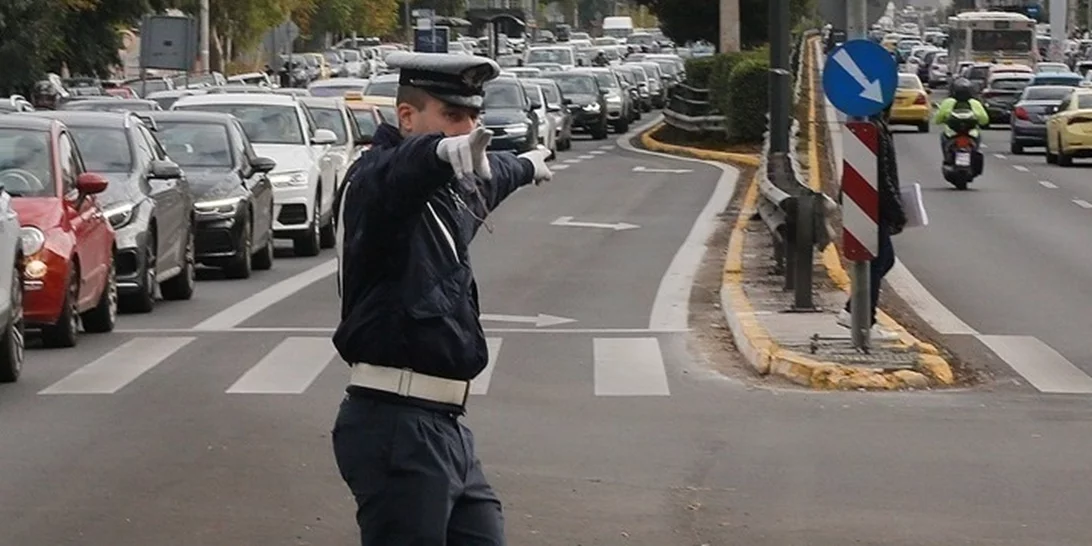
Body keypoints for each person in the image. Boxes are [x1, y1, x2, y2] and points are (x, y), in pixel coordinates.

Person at [330, 51, 552, 545]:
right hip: (395, 423)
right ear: (406, 117)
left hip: (444, 426)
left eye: (474, 116)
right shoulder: (376, 184)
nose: (468, 128)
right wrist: (434, 154)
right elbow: (401, 171)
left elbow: (489, 179)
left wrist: (524, 165)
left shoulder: (448, 193)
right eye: (452, 116)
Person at [836, 104, 907, 341]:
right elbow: (883, 178)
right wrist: (897, 212)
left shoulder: (871, 127)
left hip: (867, 205)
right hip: (872, 207)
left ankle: (854, 312)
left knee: (881, 261)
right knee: (879, 261)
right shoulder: (873, 130)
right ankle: (863, 319)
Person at [933, 77, 989, 163]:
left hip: (951, 133)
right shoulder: (975, 103)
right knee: (978, 137)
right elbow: (984, 120)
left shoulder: (948, 102)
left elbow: (937, 119)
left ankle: (947, 158)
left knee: (943, 137)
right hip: (971, 134)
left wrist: (942, 120)